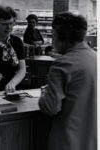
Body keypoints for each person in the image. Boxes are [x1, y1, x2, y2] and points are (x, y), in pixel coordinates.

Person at [39, 12, 97, 150]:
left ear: (63, 36)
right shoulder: (96, 58)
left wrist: (44, 93)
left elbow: (50, 107)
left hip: (67, 141)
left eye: (53, 34)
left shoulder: (63, 64)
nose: (52, 40)